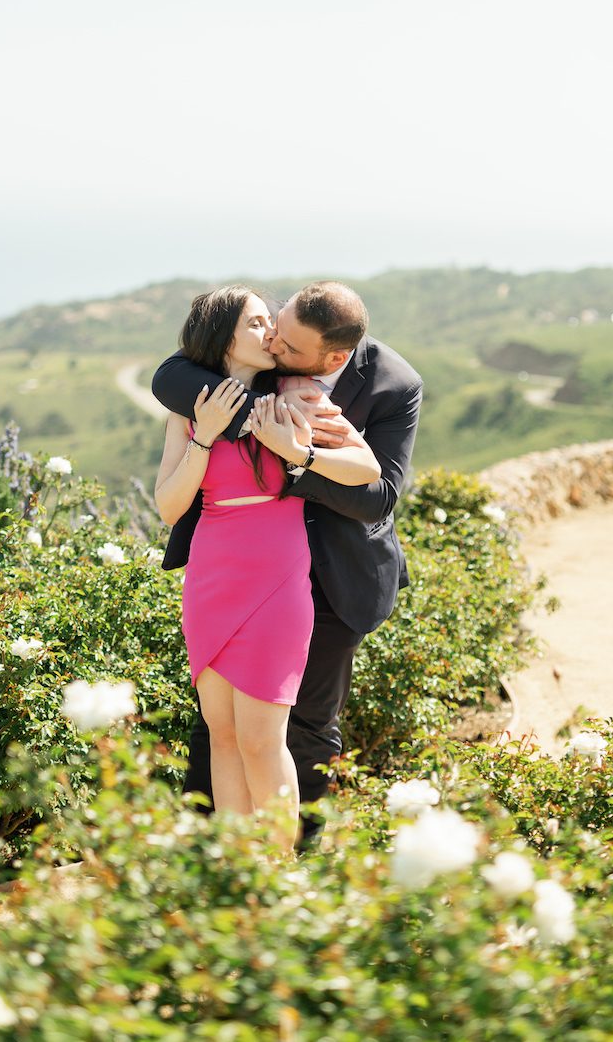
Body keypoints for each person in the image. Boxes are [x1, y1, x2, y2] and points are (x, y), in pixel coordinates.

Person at [153, 281, 423, 835]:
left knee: (291, 732)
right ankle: (224, 861)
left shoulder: (330, 391)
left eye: (282, 337)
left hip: (318, 570)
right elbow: (167, 379)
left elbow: (375, 485)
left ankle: (293, 860)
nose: (273, 336)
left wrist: (294, 452)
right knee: (218, 733)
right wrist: (226, 426)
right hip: (216, 574)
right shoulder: (214, 395)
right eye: (262, 323)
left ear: (334, 358)